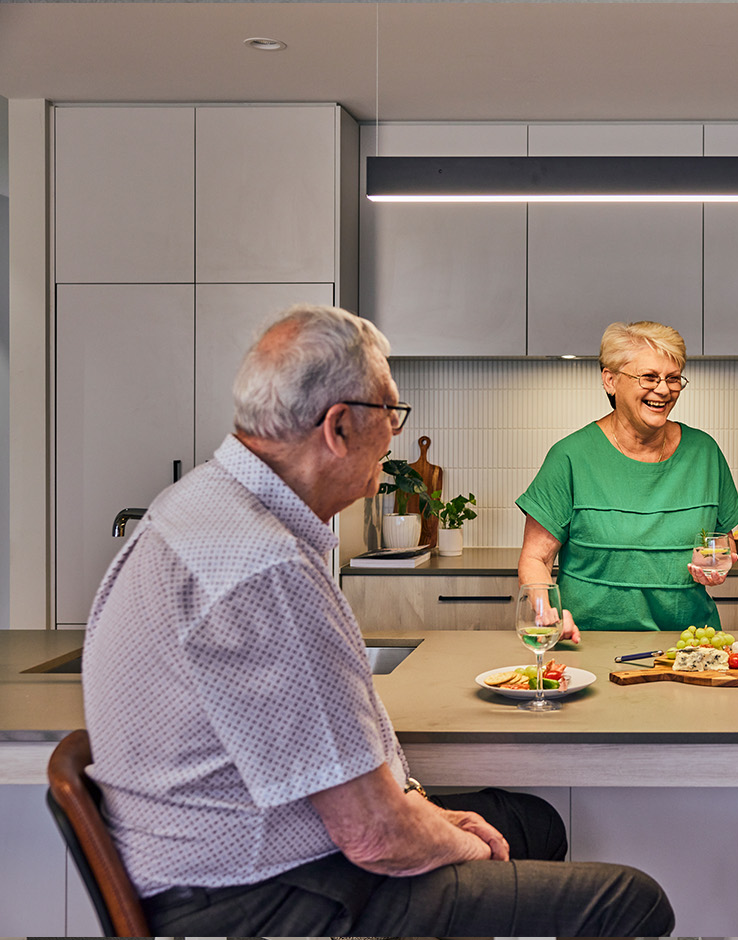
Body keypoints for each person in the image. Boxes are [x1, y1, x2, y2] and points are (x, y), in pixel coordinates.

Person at [82, 304, 673, 937]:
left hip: (239, 861)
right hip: (263, 898)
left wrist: (421, 806)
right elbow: (373, 835)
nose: (395, 433)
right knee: (628, 900)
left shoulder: (202, 501)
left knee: (531, 821)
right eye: (391, 413)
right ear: (338, 427)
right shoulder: (264, 566)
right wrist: (467, 852)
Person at [517, 320, 738, 632]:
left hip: (690, 648)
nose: (663, 390)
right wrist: (546, 612)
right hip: (591, 645)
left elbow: (722, 540)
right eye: (649, 377)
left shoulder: (704, 452)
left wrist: (716, 563)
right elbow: (535, 560)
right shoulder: (570, 457)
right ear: (610, 380)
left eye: (673, 379)